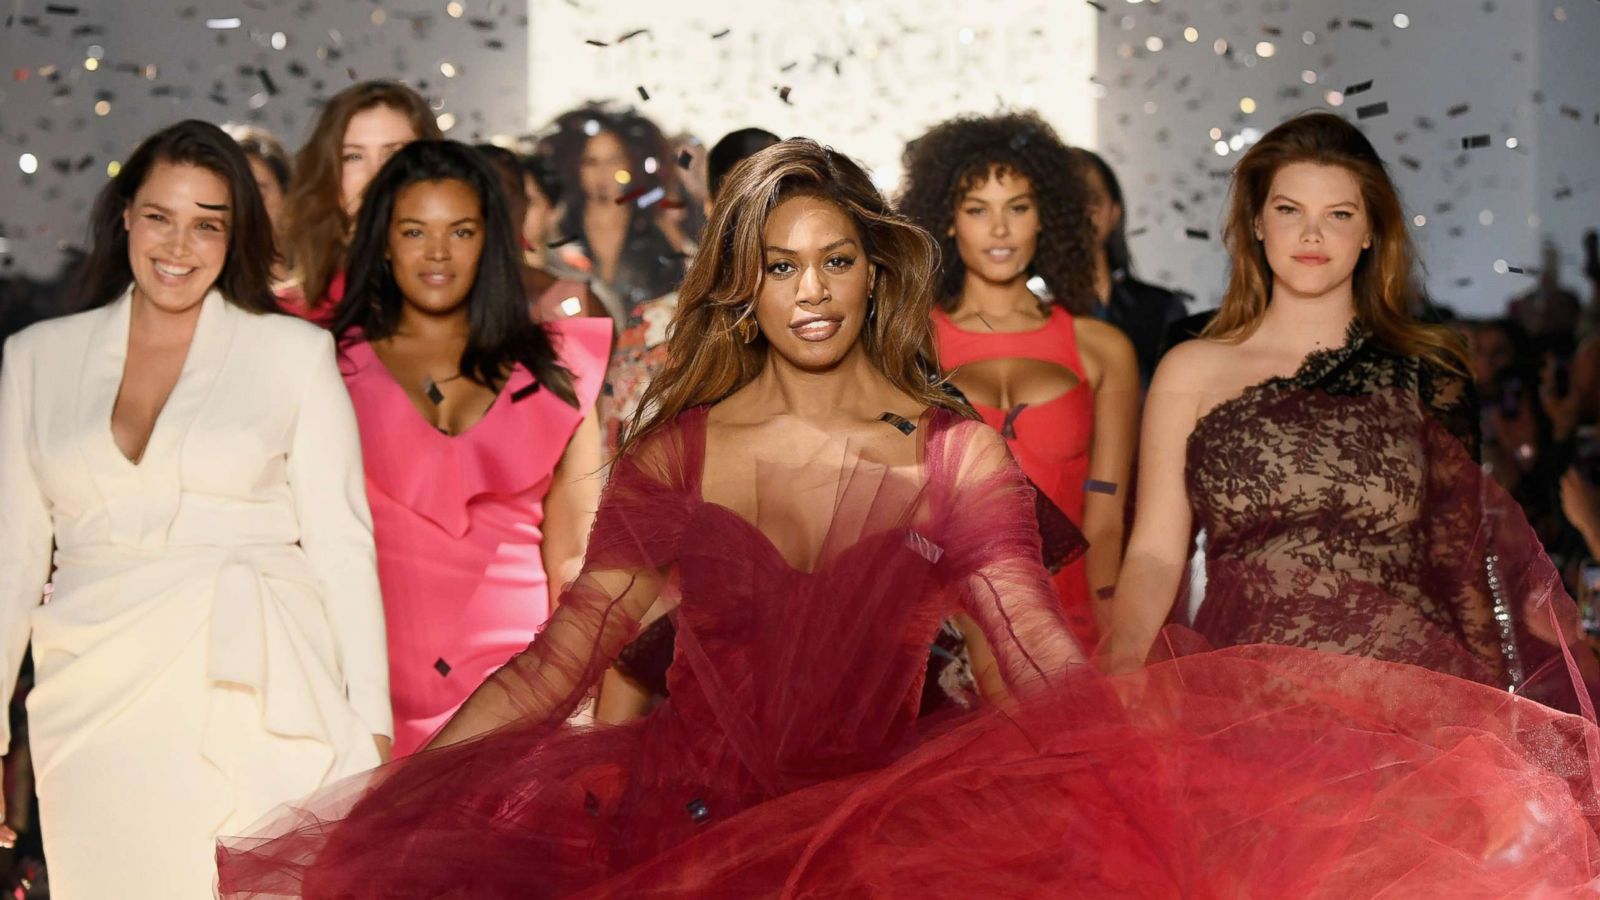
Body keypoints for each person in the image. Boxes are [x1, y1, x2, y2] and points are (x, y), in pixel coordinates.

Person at [218, 138, 1600, 900]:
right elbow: (562, 662)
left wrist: (1177, 788)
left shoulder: (952, 461)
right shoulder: (680, 454)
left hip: (882, 849)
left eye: (832, 261)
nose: (810, 291)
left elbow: (1037, 677)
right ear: (741, 289)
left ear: (867, 271)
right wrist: (395, 801)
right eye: (778, 267)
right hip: (688, 840)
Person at [0, 120, 389, 898]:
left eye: (207, 223)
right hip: (92, 706)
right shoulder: (36, 358)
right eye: (160, 216)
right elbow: (11, 562)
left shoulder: (291, 355)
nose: (179, 245)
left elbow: (344, 547)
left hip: (255, 696)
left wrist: (374, 732)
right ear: (125, 217)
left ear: (235, 233)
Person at [1098, 112, 1597, 703]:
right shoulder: (1192, 368)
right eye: (1290, 211)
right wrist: (1126, 663)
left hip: (1408, 707)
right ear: (1257, 222)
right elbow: (1156, 549)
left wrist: (1493, 715)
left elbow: (1460, 562)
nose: (1313, 235)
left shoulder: (1427, 370)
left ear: (1369, 232)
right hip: (1241, 703)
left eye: (1339, 214)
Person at [330, 141, 609, 756]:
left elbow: (573, 562)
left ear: (490, 240)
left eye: (460, 231)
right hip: (364, 704)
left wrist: (579, 710)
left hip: (520, 701)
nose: (437, 253)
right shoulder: (325, 369)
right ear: (383, 241)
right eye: (413, 231)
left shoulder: (556, 370)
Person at [902, 112, 1140, 645]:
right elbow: (894, 514)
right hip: (947, 633)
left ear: (1044, 216)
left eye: (1018, 207)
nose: (1000, 229)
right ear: (947, 219)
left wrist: (1108, 631)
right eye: (977, 210)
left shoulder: (1102, 350)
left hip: (1073, 623)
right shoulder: (907, 344)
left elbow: (1104, 516)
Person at [541, 103, 689, 451]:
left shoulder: (657, 235)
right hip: (570, 396)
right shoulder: (558, 235)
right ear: (575, 168)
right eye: (591, 161)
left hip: (648, 405)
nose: (603, 173)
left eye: (613, 160)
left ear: (633, 164)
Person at [278, 81, 441, 323]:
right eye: (353, 156)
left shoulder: (475, 309)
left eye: (394, 153)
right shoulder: (286, 316)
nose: (375, 175)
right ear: (328, 174)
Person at [1074, 148, 1191, 386]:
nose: (1081, 212)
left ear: (1114, 211)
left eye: (1092, 200)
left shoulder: (1162, 309)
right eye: (1066, 201)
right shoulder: (1029, 310)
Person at [473, 143, 596, 323]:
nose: (495, 212)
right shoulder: (437, 290)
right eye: (482, 197)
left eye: (507, 199)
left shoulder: (571, 299)